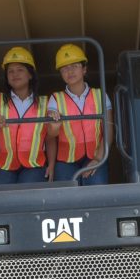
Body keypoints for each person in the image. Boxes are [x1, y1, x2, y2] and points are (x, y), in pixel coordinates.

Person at [0, 46, 50, 185]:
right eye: (10, 71)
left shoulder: (45, 103)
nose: (15, 74)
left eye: (20, 70)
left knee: (28, 195)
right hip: (5, 165)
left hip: (34, 165)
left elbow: (50, 137)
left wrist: (52, 165)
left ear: (30, 74)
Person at [47, 43, 110, 184]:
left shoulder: (100, 95)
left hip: (96, 155)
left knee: (96, 190)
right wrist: (54, 126)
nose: (69, 71)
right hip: (66, 160)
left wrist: (98, 159)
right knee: (65, 194)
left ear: (84, 69)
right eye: (64, 68)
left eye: (74, 66)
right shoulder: (55, 98)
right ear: (61, 74)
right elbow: (51, 134)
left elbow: (109, 130)